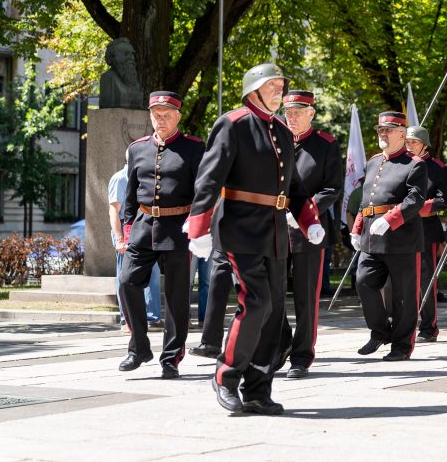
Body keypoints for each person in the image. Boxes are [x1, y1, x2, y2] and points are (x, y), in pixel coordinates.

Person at [186, 63, 323, 415]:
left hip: (274, 230)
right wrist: (198, 227)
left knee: (275, 313)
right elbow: (209, 178)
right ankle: (225, 375)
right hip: (240, 227)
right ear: (254, 89)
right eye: (273, 85)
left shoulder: (279, 129)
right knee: (257, 301)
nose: (279, 91)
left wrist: (309, 219)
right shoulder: (233, 124)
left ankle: (258, 390)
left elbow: (293, 185)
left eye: (281, 85)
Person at [118, 92, 205, 379]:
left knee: (177, 298)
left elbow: (203, 191)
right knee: (128, 282)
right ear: (150, 116)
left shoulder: (193, 148)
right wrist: (128, 229)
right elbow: (130, 194)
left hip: (178, 229)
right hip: (143, 226)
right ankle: (139, 347)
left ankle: (171, 357)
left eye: (167, 115)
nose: (161, 120)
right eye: (157, 115)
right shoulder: (137, 149)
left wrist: (198, 225)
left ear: (178, 116)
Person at [349, 111, 427, 361]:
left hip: (401, 237)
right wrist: (357, 227)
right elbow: (365, 200)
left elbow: (415, 199)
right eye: (380, 130)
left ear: (402, 134)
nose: (382, 134)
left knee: (403, 296)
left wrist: (390, 219)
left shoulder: (415, 164)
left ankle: (402, 346)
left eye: (388, 130)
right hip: (372, 237)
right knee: (363, 282)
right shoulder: (373, 162)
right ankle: (380, 331)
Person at [277, 90, 343, 378]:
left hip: (309, 230)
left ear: (311, 114)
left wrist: (302, 214)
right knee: (272, 293)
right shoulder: (275, 140)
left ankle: (302, 356)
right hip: (275, 228)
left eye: (298, 112)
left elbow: (332, 188)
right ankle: (280, 346)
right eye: (288, 112)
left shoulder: (325, 145)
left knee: (305, 296)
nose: (291, 117)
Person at [404, 125, 447, 343]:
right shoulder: (402, 163)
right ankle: (404, 324)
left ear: (424, 144)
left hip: (426, 230)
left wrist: (418, 208)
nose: (409, 145)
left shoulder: (437, 167)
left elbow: (443, 200)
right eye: (407, 141)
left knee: (425, 280)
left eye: (413, 142)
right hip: (401, 228)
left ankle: (429, 327)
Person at [109, 150, 161, 329]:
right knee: (125, 276)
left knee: (152, 272)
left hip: (143, 226)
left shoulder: (145, 177)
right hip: (125, 227)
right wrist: (119, 238)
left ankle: (153, 317)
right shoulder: (120, 178)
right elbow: (114, 210)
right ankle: (126, 319)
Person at [99, 37, 143, 109]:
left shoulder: (135, 84)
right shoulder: (107, 78)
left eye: (132, 54)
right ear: (113, 57)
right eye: (126, 54)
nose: (131, 58)